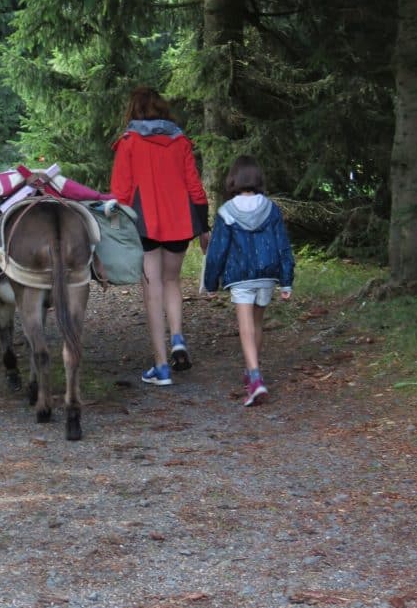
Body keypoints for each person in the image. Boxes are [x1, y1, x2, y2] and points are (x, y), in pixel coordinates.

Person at [110, 86, 210, 386]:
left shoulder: (128, 143)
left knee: (152, 289)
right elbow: (195, 187)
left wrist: (115, 229)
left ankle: (161, 365)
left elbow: (121, 191)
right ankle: (178, 337)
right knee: (171, 281)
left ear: (134, 111)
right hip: (180, 222)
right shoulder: (180, 142)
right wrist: (204, 228)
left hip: (144, 224)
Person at [202, 155, 295, 406]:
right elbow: (283, 245)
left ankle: (255, 378)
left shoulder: (226, 212)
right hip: (267, 274)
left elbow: (217, 251)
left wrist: (211, 283)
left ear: (233, 179)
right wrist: (286, 281)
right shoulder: (271, 209)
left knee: (245, 325)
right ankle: (251, 369)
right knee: (257, 323)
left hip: (240, 276)